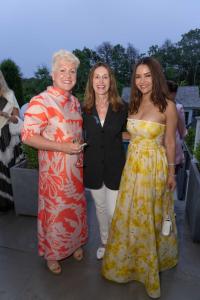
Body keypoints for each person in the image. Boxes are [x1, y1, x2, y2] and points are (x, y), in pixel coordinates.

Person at [102, 57, 178, 298]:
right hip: (132, 167)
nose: (142, 81)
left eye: (147, 75)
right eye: (138, 76)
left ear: (156, 77)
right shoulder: (133, 104)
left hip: (154, 169)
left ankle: (149, 273)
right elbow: (130, 135)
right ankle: (128, 264)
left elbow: (170, 143)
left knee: (149, 218)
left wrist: (172, 173)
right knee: (130, 216)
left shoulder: (168, 106)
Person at [21, 50, 88, 274]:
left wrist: (77, 144)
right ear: (53, 74)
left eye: (72, 71)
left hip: (76, 172)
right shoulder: (41, 101)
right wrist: (63, 147)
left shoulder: (75, 103)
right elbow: (28, 136)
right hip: (54, 176)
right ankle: (53, 254)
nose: (68, 75)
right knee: (56, 213)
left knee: (76, 210)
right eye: (62, 70)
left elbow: (73, 131)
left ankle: (74, 244)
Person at [82, 62, 128, 260]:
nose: (101, 81)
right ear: (91, 81)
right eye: (97, 77)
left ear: (111, 81)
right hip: (92, 167)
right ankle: (105, 242)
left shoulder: (122, 107)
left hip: (115, 166)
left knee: (113, 211)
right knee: (100, 209)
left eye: (105, 77)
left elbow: (130, 132)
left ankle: (119, 244)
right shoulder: (84, 108)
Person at [0, 70, 24, 211]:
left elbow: (17, 118)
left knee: (7, 169)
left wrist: (5, 115)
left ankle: (10, 202)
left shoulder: (10, 95)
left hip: (8, 138)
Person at [167, 80, 187, 173]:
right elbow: (182, 132)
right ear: (174, 93)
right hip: (173, 151)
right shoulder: (178, 108)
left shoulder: (156, 107)